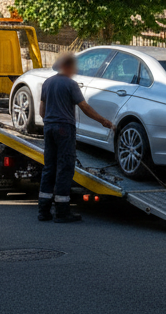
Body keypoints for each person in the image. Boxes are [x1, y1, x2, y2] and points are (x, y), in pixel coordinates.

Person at [37, 53, 113, 223]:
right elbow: (84, 107)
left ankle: (43, 211)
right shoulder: (71, 84)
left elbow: (42, 110)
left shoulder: (47, 83)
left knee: (49, 167)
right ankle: (62, 212)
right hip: (64, 128)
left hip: (49, 127)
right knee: (64, 168)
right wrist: (103, 121)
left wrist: (50, 121)